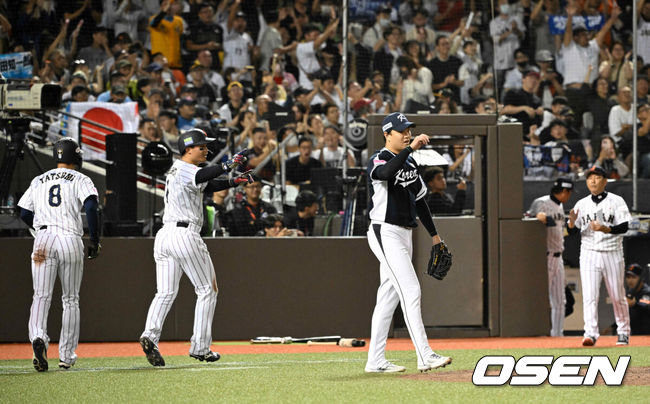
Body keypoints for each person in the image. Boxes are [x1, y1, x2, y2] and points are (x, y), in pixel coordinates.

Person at [139, 128, 252, 367]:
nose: (206, 150)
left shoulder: (183, 171)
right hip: (184, 235)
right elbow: (204, 176)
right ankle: (200, 347)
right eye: (202, 146)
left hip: (165, 235)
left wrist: (233, 181)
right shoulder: (184, 168)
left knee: (165, 293)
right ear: (188, 149)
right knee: (207, 290)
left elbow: (206, 185)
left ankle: (150, 335)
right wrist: (228, 164)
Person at [365, 112, 452, 373]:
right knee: (411, 290)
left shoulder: (411, 164)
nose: (407, 134)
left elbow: (421, 200)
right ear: (387, 134)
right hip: (385, 231)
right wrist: (410, 150)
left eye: (409, 130)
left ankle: (376, 361)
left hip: (405, 233)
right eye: (401, 130)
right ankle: (425, 355)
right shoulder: (379, 157)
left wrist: (434, 235)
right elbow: (385, 173)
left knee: (388, 298)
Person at [17, 138, 101, 371]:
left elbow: (23, 211)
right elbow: (92, 207)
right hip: (69, 239)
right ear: (76, 156)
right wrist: (94, 239)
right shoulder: (81, 178)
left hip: (43, 240)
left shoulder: (38, 180)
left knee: (41, 296)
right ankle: (66, 356)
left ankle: (38, 338)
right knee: (70, 299)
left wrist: (38, 229)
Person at [568, 165, 632, 346]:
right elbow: (572, 232)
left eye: (597, 177)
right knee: (590, 296)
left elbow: (625, 227)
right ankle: (590, 333)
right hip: (589, 253)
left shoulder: (616, 200)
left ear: (605, 181)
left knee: (617, 295)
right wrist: (572, 223)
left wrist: (606, 228)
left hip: (612, 252)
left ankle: (623, 332)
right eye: (590, 178)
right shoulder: (581, 204)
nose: (593, 181)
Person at [526, 177, 574, 337]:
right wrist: (541, 217)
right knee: (541, 298)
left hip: (558, 257)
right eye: (569, 192)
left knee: (560, 301)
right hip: (544, 256)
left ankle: (557, 335)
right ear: (565, 191)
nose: (569, 196)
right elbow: (530, 219)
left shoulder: (560, 206)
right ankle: (536, 331)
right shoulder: (542, 202)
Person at [625, 264, 650, 335]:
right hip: (635, 335)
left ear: (641, 278)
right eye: (628, 277)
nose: (630, 280)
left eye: (633, 277)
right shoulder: (630, 293)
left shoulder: (647, 292)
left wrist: (635, 304)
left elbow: (647, 306)